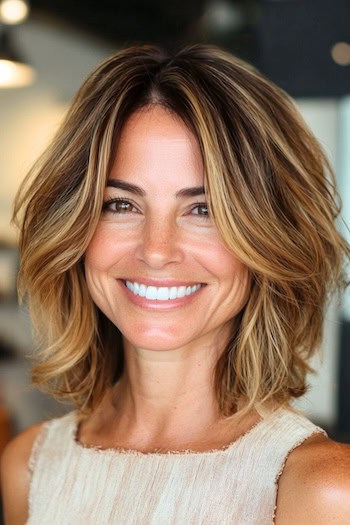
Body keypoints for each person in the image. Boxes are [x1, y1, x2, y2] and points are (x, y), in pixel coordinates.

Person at [1, 43, 350, 524]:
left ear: (269, 238)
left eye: (202, 209)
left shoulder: (323, 489)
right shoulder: (29, 467)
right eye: (121, 205)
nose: (157, 249)